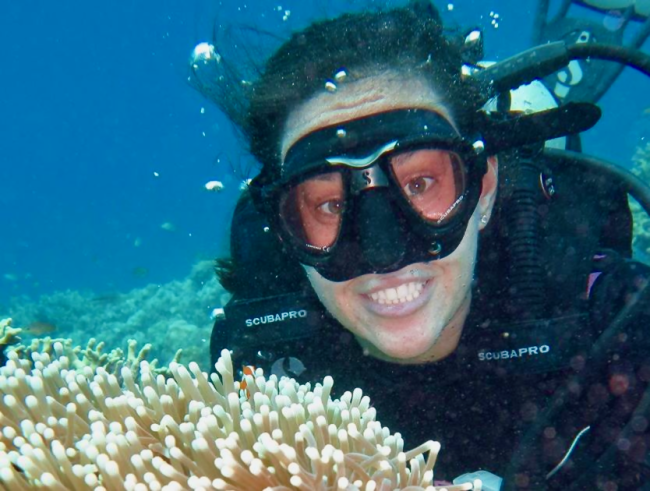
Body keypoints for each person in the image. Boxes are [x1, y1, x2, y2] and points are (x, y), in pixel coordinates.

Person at [195, 1, 650, 488]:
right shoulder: (263, 361)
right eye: (328, 205)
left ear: (484, 190)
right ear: (287, 233)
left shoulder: (613, 322)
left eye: (419, 185)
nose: (384, 254)